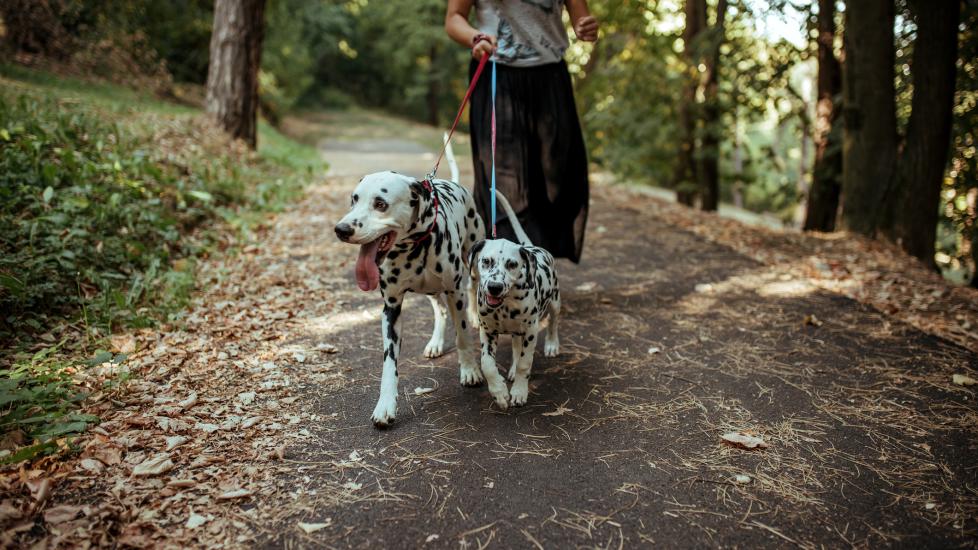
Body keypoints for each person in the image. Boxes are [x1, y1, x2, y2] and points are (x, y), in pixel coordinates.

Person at [445, 0, 597, 263]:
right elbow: (454, 18)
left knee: (558, 177)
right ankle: (512, 277)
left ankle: (539, 264)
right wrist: (475, 37)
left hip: (550, 78)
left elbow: (581, 20)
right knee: (507, 183)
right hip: (497, 73)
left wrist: (586, 28)